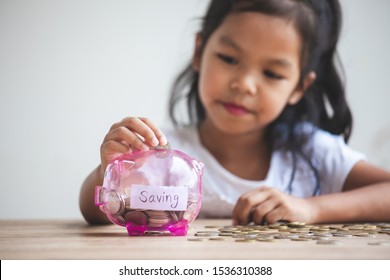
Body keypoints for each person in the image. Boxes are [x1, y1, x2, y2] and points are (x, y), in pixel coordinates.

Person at [80, 0, 390, 225]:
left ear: (299, 87)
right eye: (229, 58)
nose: (244, 84)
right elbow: (93, 213)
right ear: (199, 51)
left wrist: (312, 210)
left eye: (272, 73)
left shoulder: (315, 153)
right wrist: (110, 173)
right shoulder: (160, 155)